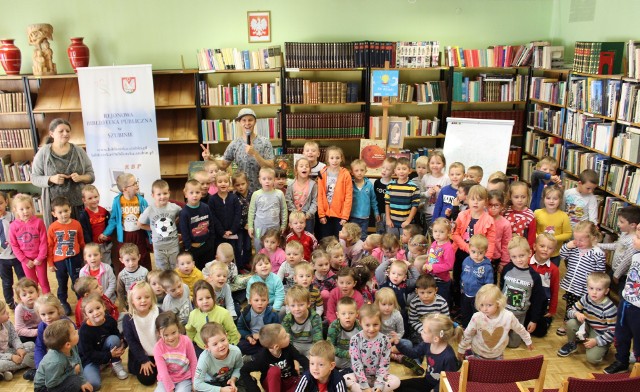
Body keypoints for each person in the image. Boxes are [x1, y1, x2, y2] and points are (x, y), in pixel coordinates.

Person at [31, 118, 95, 227]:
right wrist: (51, 179)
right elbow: (34, 178)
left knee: (79, 235)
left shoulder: (79, 151)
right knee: (57, 238)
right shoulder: (43, 153)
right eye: (61, 131)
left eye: (68, 131)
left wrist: (81, 177)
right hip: (55, 208)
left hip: (76, 205)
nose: (65, 133)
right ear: (51, 133)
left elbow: (91, 176)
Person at [201, 108, 275, 193]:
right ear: (239, 123)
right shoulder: (234, 144)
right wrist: (210, 158)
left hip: (262, 190)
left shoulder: (264, 142)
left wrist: (255, 154)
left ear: (255, 121)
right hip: (241, 190)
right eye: (244, 120)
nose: (247, 123)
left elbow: (271, 166)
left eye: (250, 120)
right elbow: (223, 165)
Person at [458, 284, 533, 360]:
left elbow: (520, 329)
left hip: (497, 355)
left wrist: (527, 340)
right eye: (481, 305)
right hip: (477, 353)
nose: (484, 309)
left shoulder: (508, 316)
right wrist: (461, 349)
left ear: (498, 303)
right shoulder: (476, 317)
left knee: (495, 371)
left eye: (489, 305)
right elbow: (468, 334)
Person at [557, 221, 606, 336]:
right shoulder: (574, 248)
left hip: (585, 289)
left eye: (581, 240)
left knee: (584, 308)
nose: (578, 242)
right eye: (576, 239)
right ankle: (567, 323)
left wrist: (596, 287)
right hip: (571, 285)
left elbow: (600, 273)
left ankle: (582, 328)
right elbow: (562, 255)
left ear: (593, 238)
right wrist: (567, 246)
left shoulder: (598, 253)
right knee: (570, 306)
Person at [557, 272, 617, 365]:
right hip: (587, 326)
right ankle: (572, 344)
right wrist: (576, 313)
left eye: (599, 289)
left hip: (600, 334)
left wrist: (596, 341)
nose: (594, 292)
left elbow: (613, 332)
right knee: (571, 323)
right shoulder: (586, 298)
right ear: (587, 288)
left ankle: (604, 348)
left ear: (606, 291)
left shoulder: (609, 308)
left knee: (592, 359)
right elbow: (569, 312)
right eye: (591, 288)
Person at [604, 224, 640, 374]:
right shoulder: (636, 254)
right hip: (626, 302)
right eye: (637, 231)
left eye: (638, 236)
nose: (634, 238)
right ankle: (621, 361)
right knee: (621, 334)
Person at [500, 236, 546, 348]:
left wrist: (534, 320)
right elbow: (501, 288)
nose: (518, 260)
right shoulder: (507, 269)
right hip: (503, 314)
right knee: (498, 339)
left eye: (522, 256)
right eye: (514, 257)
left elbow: (537, 300)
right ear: (510, 256)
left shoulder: (534, 277)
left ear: (529, 253)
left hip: (519, 316)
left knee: (514, 344)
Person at [397, 314, 461, 392]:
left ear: (436, 338)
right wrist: (398, 344)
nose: (421, 332)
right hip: (427, 381)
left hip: (441, 388)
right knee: (398, 385)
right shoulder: (427, 344)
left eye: (424, 331)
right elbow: (413, 353)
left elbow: (449, 379)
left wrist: (436, 390)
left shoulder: (448, 357)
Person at [345, 304, 400, 392]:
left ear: (380, 322)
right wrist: (364, 385)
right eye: (367, 325)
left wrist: (379, 385)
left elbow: (384, 364)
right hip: (360, 377)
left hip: (377, 377)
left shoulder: (385, 340)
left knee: (396, 381)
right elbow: (356, 364)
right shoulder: (355, 339)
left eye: (375, 325)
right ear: (360, 323)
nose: (371, 329)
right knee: (345, 379)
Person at [77, 294, 128, 388]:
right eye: (90, 311)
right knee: (94, 385)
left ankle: (116, 365)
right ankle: (100, 365)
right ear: (86, 315)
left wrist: (122, 344)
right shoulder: (84, 331)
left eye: (98, 308)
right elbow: (88, 354)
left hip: (104, 351)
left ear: (103, 307)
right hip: (90, 359)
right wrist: (109, 355)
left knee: (114, 339)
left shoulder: (110, 320)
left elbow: (117, 335)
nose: (96, 312)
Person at [240, 324, 308, 392]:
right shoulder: (261, 357)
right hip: (271, 385)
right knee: (274, 370)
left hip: (290, 382)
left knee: (306, 385)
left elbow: (303, 361)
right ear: (276, 347)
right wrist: (255, 389)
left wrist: (306, 376)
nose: (288, 335)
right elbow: (244, 370)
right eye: (285, 336)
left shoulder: (289, 348)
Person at [46, 196, 85, 315]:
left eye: (66, 211)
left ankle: (81, 301)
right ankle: (63, 302)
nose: (64, 214)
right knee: (62, 282)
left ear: (70, 209)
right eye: (60, 212)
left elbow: (81, 241)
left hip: (75, 259)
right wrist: (51, 263)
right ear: (54, 213)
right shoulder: (53, 227)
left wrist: (85, 257)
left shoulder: (76, 224)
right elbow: (50, 246)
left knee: (77, 282)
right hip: (60, 261)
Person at [33, 319, 92, 392]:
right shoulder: (56, 362)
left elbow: (78, 363)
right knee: (75, 381)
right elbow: (51, 384)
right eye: (74, 332)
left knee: (81, 385)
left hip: (60, 374)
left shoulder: (73, 346)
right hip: (45, 388)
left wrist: (83, 381)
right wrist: (73, 372)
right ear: (67, 344)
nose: (77, 331)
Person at [186, 280, 240, 357]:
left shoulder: (224, 313)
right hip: (201, 347)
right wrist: (189, 344)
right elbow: (190, 331)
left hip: (221, 347)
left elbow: (232, 331)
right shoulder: (193, 315)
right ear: (195, 301)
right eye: (200, 299)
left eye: (208, 297)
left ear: (214, 297)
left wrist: (233, 346)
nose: (205, 301)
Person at [9, 194, 50, 294]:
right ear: (15, 210)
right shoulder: (13, 226)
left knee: (43, 282)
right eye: (21, 209)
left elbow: (44, 241)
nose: (25, 211)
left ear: (32, 207)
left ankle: (48, 301)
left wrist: (40, 258)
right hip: (26, 261)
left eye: (28, 208)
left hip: (40, 259)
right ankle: (35, 303)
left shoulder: (39, 222)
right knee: (32, 283)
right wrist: (25, 260)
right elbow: (14, 245)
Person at [138, 179, 181, 271]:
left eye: (165, 193)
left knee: (176, 269)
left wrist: (174, 224)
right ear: (153, 195)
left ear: (169, 193)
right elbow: (140, 224)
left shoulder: (174, 207)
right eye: (159, 194)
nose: (162, 197)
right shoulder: (149, 210)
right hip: (159, 247)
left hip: (173, 246)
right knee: (162, 271)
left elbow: (182, 215)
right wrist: (153, 228)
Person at [122, 281, 159, 386]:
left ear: (151, 298)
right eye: (139, 298)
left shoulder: (158, 311)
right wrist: (143, 360)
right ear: (132, 301)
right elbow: (132, 342)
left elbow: (164, 335)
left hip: (159, 352)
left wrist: (160, 356)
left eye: (147, 297)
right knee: (148, 380)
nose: (143, 301)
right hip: (141, 354)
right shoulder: (128, 319)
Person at [597, 205, 640, 295]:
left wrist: (616, 275)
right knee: (604, 288)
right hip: (615, 270)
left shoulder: (634, 241)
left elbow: (626, 261)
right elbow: (617, 245)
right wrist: (599, 245)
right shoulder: (624, 233)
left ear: (632, 225)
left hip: (622, 275)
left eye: (621, 222)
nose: (618, 224)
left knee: (621, 293)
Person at [154, 311, 198, 392]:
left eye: (173, 333)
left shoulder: (186, 341)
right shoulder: (158, 348)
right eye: (166, 335)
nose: (170, 338)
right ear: (159, 333)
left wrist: (194, 382)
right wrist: (170, 389)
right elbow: (162, 372)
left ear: (178, 328)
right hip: (165, 379)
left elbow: (193, 362)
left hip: (184, 378)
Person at [194, 322, 244, 392]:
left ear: (226, 336)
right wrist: (221, 390)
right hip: (211, 383)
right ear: (207, 347)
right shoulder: (204, 359)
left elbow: (239, 367)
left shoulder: (236, 351)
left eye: (223, 340)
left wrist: (233, 378)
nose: (221, 345)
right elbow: (197, 384)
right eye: (215, 344)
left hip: (229, 379)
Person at [317, 146, 353, 240]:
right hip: (325, 214)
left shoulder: (346, 174)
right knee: (326, 239)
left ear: (341, 158)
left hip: (340, 215)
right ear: (327, 159)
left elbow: (348, 197)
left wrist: (345, 217)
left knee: (339, 240)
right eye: (332, 158)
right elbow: (320, 195)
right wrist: (321, 214)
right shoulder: (322, 173)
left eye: (337, 158)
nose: (334, 161)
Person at [248, 168, 288, 252]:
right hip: (259, 228)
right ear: (260, 180)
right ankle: (259, 261)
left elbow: (284, 210)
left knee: (273, 245)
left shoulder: (279, 194)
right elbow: (251, 211)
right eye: (264, 179)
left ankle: (273, 262)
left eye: (270, 179)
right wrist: (250, 226)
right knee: (258, 243)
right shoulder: (256, 194)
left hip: (274, 227)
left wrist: (284, 225)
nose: (267, 181)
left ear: (274, 180)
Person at [236, 282, 280, 358]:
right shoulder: (245, 313)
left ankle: (254, 357)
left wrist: (262, 336)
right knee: (240, 346)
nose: (260, 303)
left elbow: (277, 330)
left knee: (274, 348)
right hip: (252, 339)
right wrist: (248, 337)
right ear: (250, 301)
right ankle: (259, 356)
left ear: (268, 301)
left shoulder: (273, 313)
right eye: (256, 300)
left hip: (267, 340)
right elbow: (240, 328)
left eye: (263, 300)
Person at [179, 179, 215, 270]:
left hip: (207, 244)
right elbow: (184, 232)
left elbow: (211, 224)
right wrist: (189, 247)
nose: (195, 195)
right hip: (194, 248)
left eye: (197, 192)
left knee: (209, 269)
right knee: (197, 270)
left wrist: (211, 241)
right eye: (191, 193)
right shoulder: (184, 213)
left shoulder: (206, 207)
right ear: (185, 193)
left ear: (201, 193)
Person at [529, 233, 560, 338]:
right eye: (542, 246)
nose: (545, 249)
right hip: (527, 301)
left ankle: (547, 320)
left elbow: (554, 290)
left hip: (542, 303)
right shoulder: (527, 262)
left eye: (550, 248)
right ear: (534, 247)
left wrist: (552, 309)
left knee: (540, 333)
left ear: (554, 251)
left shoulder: (554, 269)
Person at [459, 234, 494, 327]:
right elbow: (463, 275)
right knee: (465, 313)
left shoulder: (487, 267)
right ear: (469, 248)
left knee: (478, 316)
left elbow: (489, 285)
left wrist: (485, 297)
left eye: (480, 253)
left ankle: (478, 331)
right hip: (465, 293)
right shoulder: (466, 261)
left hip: (478, 297)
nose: (476, 255)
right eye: (473, 251)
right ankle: (466, 330)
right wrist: (461, 287)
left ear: (485, 252)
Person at [534, 185, 571, 266]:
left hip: (555, 254)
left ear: (560, 200)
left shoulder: (564, 216)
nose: (551, 201)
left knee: (551, 274)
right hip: (539, 251)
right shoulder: (537, 213)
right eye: (548, 198)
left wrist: (553, 239)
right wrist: (537, 236)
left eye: (555, 199)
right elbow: (533, 230)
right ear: (543, 199)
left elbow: (568, 234)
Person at [406, 275, 449, 345]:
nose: (426, 296)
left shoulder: (442, 302)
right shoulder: (414, 303)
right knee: (420, 341)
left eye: (429, 292)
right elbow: (413, 321)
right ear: (417, 291)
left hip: (437, 328)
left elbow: (446, 319)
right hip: (421, 329)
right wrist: (424, 331)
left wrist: (436, 330)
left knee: (443, 339)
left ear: (436, 290)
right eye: (422, 293)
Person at [0, 299, 35, 381]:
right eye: (4, 312)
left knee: (31, 345)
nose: (8, 313)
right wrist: (11, 357)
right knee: (0, 365)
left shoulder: (7, 323)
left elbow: (14, 337)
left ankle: (8, 370)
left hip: (9, 351)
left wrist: (19, 348)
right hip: (2, 356)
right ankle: (26, 362)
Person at [34, 294, 72, 369]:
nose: (47, 317)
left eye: (51, 313)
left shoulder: (67, 324)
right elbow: (39, 347)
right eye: (43, 314)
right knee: (30, 358)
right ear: (38, 314)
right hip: (51, 355)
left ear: (58, 310)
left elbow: (74, 345)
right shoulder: (42, 326)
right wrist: (39, 366)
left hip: (68, 356)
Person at [282, 285, 322, 356]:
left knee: (317, 356)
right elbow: (287, 339)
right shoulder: (287, 319)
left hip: (310, 346)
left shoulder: (315, 317)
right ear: (288, 305)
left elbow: (317, 339)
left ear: (308, 304)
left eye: (301, 305)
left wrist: (313, 353)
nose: (297, 309)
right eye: (293, 306)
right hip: (294, 346)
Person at [384, 157, 420, 238]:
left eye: (404, 169)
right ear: (395, 171)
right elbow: (387, 203)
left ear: (409, 170)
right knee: (392, 243)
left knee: (405, 244)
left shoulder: (414, 187)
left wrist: (408, 221)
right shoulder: (390, 186)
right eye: (399, 169)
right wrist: (388, 219)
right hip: (392, 223)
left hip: (406, 224)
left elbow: (415, 206)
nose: (401, 171)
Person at [0, 191, 24, 309]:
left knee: (22, 279)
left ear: (6, 202)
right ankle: (10, 302)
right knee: (6, 281)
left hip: (17, 255)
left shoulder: (13, 216)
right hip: (2, 258)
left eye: (0, 203)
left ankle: (24, 299)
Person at [78, 185, 111, 268]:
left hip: (105, 246)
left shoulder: (104, 212)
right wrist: (91, 245)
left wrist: (107, 236)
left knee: (106, 266)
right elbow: (84, 233)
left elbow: (110, 226)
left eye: (96, 197)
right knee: (92, 267)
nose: (94, 200)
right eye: (90, 198)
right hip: (92, 247)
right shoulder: (83, 215)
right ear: (84, 200)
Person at [423, 218, 455, 304]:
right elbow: (430, 257)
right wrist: (426, 265)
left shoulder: (448, 248)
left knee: (442, 301)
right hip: (432, 278)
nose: (437, 234)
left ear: (448, 233)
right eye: (435, 231)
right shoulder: (434, 243)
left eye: (441, 232)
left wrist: (433, 267)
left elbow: (449, 265)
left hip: (442, 280)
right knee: (433, 301)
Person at [209, 171, 241, 254]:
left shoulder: (234, 198)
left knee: (234, 252)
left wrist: (232, 230)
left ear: (229, 183)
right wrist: (222, 231)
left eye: (225, 181)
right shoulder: (212, 200)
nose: (223, 184)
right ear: (215, 184)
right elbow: (213, 217)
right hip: (219, 234)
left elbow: (238, 215)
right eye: (220, 182)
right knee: (221, 253)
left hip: (233, 233)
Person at [327, 297, 361, 373]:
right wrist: (346, 353)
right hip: (338, 360)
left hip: (355, 359)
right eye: (343, 313)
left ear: (357, 314)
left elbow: (365, 343)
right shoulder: (334, 326)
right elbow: (330, 347)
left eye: (351, 313)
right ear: (338, 315)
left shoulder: (359, 326)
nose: (347, 316)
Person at [286, 157, 318, 234]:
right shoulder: (290, 184)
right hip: (294, 216)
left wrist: (308, 214)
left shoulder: (313, 184)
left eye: (307, 166)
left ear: (310, 170)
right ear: (296, 170)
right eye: (301, 166)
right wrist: (295, 212)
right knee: (295, 237)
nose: (304, 168)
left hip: (308, 217)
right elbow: (288, 199)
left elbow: (315, 201)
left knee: (308, 237)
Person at [420, 151, 450, 233]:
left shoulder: (446, 178)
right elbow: (420, 194)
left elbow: (449, 195)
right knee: (430, 233)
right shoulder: (426, 177)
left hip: (441, 213)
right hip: (428, 211)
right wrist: (427, 193)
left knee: (439, 234)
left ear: (443, 164)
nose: (435, 165)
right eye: (432, 163)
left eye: (438, 163)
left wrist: (440, 192)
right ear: (429, 164)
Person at [349, 159, 379, 240]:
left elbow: (373, 200)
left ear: (366, 171)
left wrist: (376, 213)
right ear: (352, 172)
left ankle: (362, 252)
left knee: (363, 236)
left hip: (365, 217)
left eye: (362, 170)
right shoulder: (349, 184)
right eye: (356, 170)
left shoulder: (369, 184)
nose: (359, 173)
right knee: (352, 236)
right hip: (352, 216)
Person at [487, 190, 512, 281]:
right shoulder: (483, 219)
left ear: (502, 206)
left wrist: (504, 262)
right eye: (490, 205)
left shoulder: (505, 224)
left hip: (496, 258)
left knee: (495, 282)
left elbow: (506, 244)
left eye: (496, 205)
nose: (493, 208)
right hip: (482, 256)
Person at [115, 243, 149, 310]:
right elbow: (120, 292)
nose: (131, 263)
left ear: (138, 257)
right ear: (121, 260)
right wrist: (123, 306)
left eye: (133, 259)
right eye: (127, 260)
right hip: (130, 304)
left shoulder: (144, 272)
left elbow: (149, 288)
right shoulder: (121, 275)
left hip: (144, 302)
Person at [232, 171, 253, 272]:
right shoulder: (234, 197)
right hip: (239, 227)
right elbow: (234, 215)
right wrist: (242, 224)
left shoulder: (253, 194)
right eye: (237, 185)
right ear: (234, 186)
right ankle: (240, 266)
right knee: (239, 247)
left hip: (250, 226)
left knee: (248, 246)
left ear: (247, 183)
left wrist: (250, 224)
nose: (240, 187)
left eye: (243, 184)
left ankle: (246, 262)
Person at [13, 278, 41, 344]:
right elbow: (19, 330)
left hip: (42, 329)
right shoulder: (19, 309)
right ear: (20, 298)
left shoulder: (42, 304)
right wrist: (37, 332)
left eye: (31, 292)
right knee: (20, 339)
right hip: (27, 332)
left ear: (37, 292)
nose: (29, 296)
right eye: (24, 295)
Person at [374, 158, 397, 234]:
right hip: (379, 213)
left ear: (393, 172)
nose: (384, 170)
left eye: (387, 169)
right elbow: (374, 199)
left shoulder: (394, 184)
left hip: (390, 214)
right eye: (383, 167)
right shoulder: (377, 182)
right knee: (379, 232)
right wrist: (376, 212)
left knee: (389, 233)